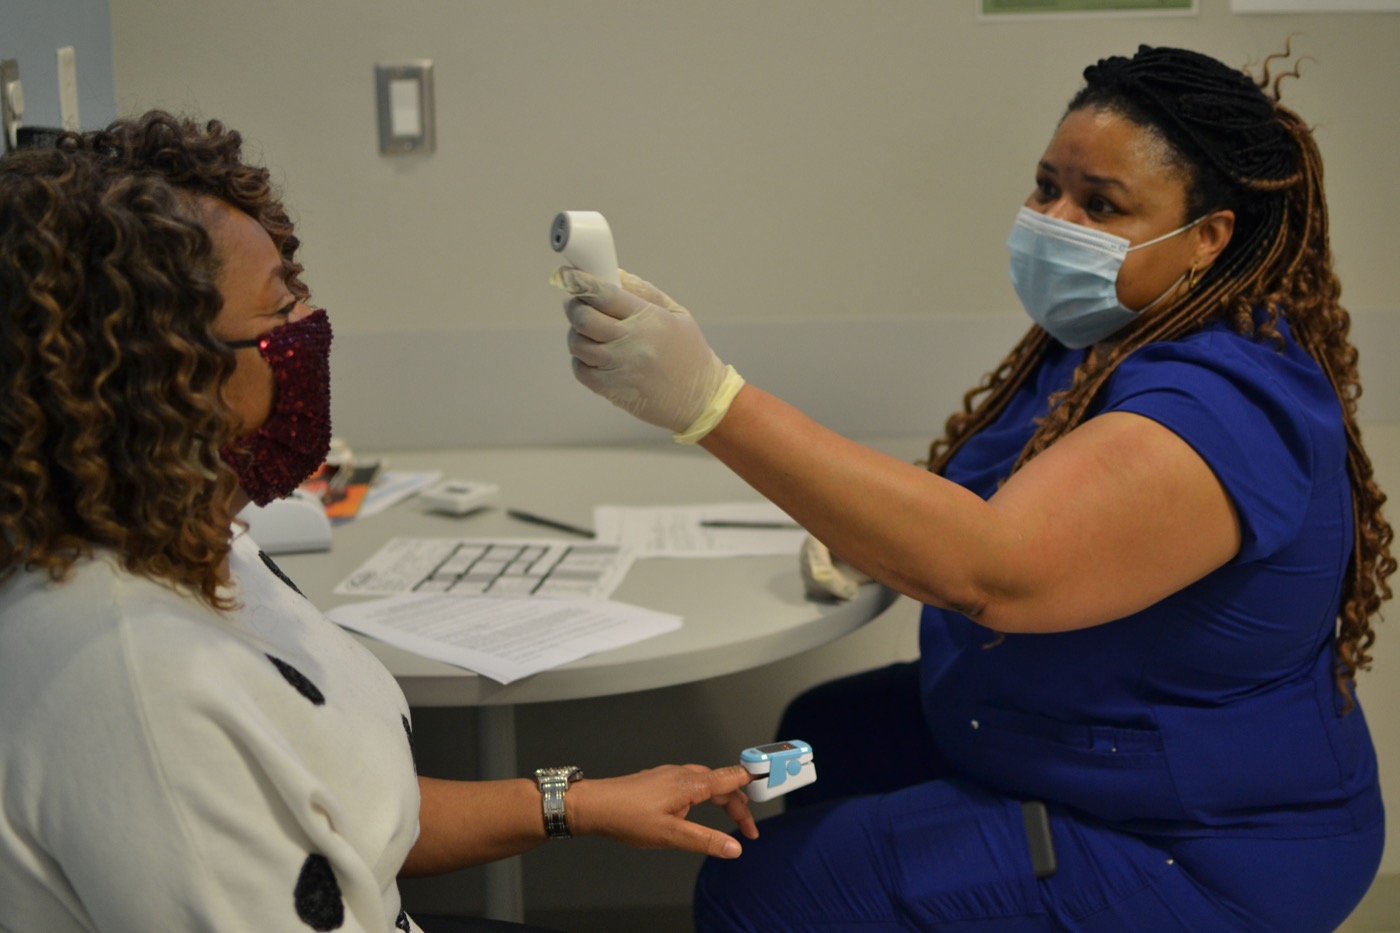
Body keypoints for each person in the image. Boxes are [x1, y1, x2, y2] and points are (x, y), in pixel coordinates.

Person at [555, 45, 1391, 931]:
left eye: (1099, 204)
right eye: (1046, 187)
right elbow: (975, 495)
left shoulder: (1221, 408)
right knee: (820, 731)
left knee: (757, 891)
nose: (1053, 219)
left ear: (1209, 237)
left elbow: (993, 569)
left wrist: (711, 401)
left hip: (1193, 843)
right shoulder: (1107, 339)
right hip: (1059, 742)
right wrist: (870, 527)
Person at [0, 112, 758, 933]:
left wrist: (576, 801)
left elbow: (347, 813)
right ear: (166, 375)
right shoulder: (138, 688)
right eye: (279, 308)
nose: (309, 329)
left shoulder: (191, 543)